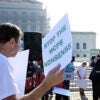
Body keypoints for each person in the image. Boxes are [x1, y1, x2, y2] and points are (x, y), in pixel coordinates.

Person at [0, 23, 65, 100]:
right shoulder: (2, 61)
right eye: (20, 42)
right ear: (12, 42)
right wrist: (47, 84)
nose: (21, 46)